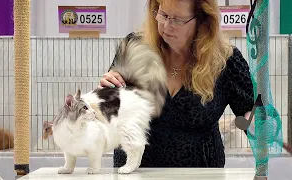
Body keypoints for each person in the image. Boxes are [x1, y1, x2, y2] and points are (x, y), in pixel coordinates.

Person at [99, 0, 254, 168]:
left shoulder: (225, 61)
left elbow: (252, 116)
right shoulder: (134, 47)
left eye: (178, 20)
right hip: (134, 170)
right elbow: (111, 110)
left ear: (203, 20)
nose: (166, 25)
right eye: (163, 14)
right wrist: (105, 94)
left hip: (199, 172)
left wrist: (255, 122)